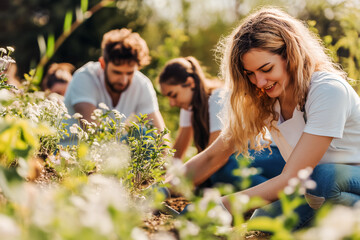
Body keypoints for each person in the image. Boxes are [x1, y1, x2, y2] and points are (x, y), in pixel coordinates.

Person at [165, 8, 360, 230]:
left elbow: (293, 177)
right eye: (250, 73)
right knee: (260, 223)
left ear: (291, 55)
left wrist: (221, 205)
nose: (259, 82)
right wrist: (163, 189)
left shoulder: (327, 90)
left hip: (344, 180)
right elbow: (214, 156)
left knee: (323, 177)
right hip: (313, 193)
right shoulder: (265, 100)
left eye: (266, 69)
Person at [159, 56, 285, 190]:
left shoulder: (217, 98)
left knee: (222, 169)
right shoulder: (189, 107)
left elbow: (216, 155)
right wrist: (163, 179)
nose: (172, 103)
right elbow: (177, 153)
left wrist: (179, 186)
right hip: (248, 157)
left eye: (173, 95)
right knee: (214, 177)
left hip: (271, 154)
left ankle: (276, 199)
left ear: (190, 83)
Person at [63, 28, 166, 137]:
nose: (123, 80)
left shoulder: (142, 84)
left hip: (110, 147)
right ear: (102, 64)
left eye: (130, 73)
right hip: (68, 150)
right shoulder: (84, 77)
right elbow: (92, 132)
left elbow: (160, 134)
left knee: (149, 135)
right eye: (117, 72)